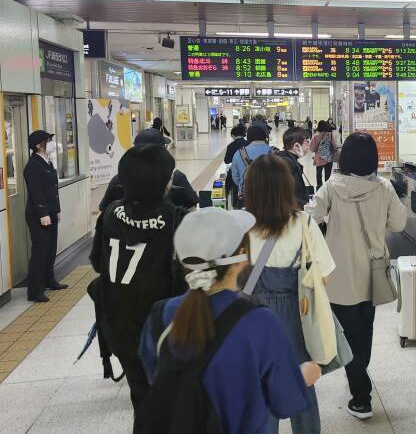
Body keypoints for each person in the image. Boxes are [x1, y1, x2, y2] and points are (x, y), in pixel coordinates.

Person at [138, 207, 322, 434]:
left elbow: (155, 375)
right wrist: (303, 374)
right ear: (241, 258)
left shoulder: (159, 315)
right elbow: (284, 402)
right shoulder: (260, 322)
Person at [308, 133, 407, 420]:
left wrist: (330, 226)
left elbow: (311, 217)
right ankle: (360, 378)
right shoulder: (384, 187)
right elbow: (399, 223)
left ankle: (361, 396)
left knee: (348, 336)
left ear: (345, 157)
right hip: (372, 274)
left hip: (339, 277)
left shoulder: (332, 186)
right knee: (364, 332)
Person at [90, 144, 188, 421]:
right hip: (161, 328)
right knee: (170, 405)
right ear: (162, 182)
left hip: (118, 324)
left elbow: (98, 263)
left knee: (141, 399)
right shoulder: (175, 219)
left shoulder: (109, 213)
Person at [244, 155, 335, 433]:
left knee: (260, 388)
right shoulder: (304, 224)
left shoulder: (241, 227)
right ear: (287, 187)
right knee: (302, 386)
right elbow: (326, 275)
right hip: (297, 319)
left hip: (252, 321)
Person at [98, 130, 198, 212]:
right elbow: (191, 210)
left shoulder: (119, 179)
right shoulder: (176, 177)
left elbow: (103, 212)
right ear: (163, 150)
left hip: (125, 235)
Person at [24, 129, 67, 303]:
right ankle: (34, 290)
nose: (50, 143)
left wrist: (56, 210)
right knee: (40, 251)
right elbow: (36, 192)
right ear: (38, 145)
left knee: (50, 249)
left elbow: (52, 190)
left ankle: (49, 280)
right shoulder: (33, 165)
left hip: (50, 212)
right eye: (47, 140)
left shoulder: (47, 162)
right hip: (37, 215)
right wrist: (43, 213)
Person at [231, 126, 274, 202]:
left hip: (247, 196)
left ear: (248, 138)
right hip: (272, 197)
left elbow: (236, 177)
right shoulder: (275, 152)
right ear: (265, 137)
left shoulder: (239, 153)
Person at [277, 127, 312, 209]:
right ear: (296, 146)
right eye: (306, 142)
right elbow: (294, 194)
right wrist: (307, 206)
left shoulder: (283, 159)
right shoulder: (288, 165)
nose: (308, 146)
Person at [224, 125, 249, 209]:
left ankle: (234, 205)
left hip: (235, 173)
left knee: (229, 185)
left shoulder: (231, 146)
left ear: (233, 135)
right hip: (248, 172)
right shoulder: (248, 144)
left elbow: (227, 160)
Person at [310, 121, 337, 189]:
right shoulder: (330, 135)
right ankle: (328, 190)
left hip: (319, 159)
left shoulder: (315, 136)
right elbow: (335, 146)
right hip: (329, 158)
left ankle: (320, 189)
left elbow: (312, 149)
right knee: (328, 175)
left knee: (319, 175)